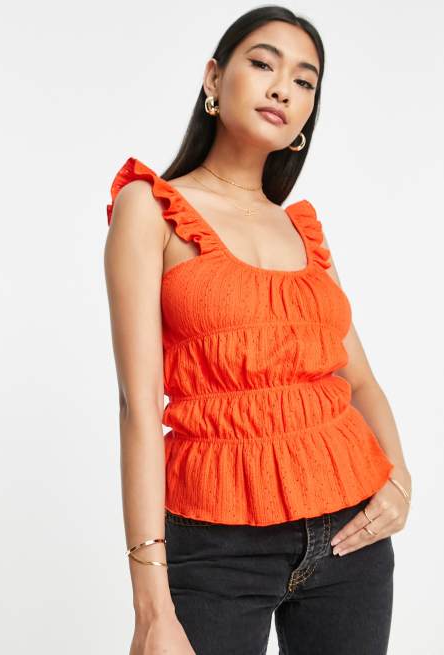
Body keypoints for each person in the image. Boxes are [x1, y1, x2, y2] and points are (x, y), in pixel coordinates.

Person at [104, 6, 412, 655]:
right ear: (214, 79)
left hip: (350, 540)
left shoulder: (302, 229)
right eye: (263, 63)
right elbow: (137, 404)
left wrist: (399, 480)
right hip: (216, 543)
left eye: (304, 81)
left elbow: (359, 380)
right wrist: (151, 608)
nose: (282, 89)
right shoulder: (151, 209)